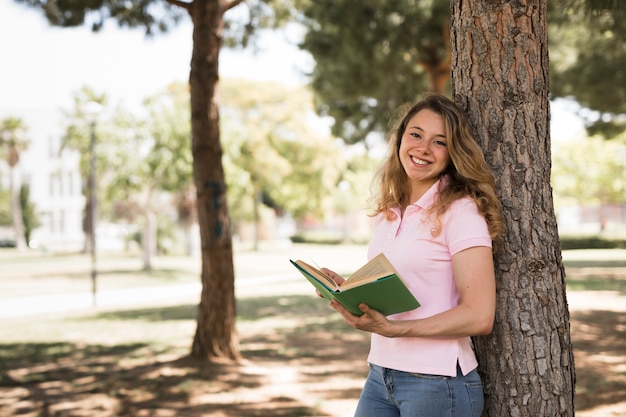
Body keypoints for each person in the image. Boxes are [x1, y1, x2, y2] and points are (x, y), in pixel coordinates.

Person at [320, 93, 503, 417]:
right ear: (401, 137)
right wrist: (350, 291)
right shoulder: (388, 212)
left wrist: (397, 329)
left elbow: (479, 315)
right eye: (416, 134)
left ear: (453, 153)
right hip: (381, 374)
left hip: (437, 383)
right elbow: (402, 289)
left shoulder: (460, 211)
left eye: (439, 142)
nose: (422, 148)